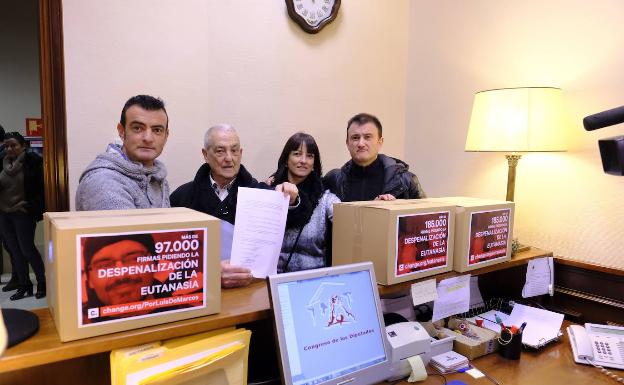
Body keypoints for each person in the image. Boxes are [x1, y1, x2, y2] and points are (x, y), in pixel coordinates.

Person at [170, 124, 299, 288]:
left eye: (234, 150)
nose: (229, 158)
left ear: (241, 153)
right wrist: (210, 273)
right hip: (200, 291)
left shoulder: (261, 194)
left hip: (251, 289)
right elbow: (172, 259)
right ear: (205, 154)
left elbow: (293, 222)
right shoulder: (182, 198)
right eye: (220, 151)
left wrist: (291, 199)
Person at [75, 95, 171, 211]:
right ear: (121, 131)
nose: (148, 138)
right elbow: (130, 229)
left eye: (157, 130)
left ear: (166, 136)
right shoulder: (103, 181)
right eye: (138, 128)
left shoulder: (157, 177)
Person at [267, 132, 339, 273]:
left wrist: (376, 206)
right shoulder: (271, 192)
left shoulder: (325, 199)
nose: (304, 160)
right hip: (272, 282)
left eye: (310, 156)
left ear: (314, 164)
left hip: (313, 280)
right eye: (297, 154)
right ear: (286, 160)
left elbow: (350, 219)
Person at [323, 113, 426, 202]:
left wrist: (396, 207)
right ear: (347, 143)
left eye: (367, 137)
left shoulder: (405, 181)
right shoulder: (333, 180)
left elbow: (424, 219)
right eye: (355, 138)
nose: (361, 143)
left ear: (380, 142)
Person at [0, 132, 46, 300]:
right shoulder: (2, 161)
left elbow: (41, 188)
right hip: (5, 214)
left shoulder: (33, 162)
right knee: (15, 251)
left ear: (23, 146)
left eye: (13, 145)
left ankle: (42, 283)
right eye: (6, 146)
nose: (9, 149)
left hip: (23, 213)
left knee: (27, 250)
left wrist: (33, 208)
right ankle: (24, 285)